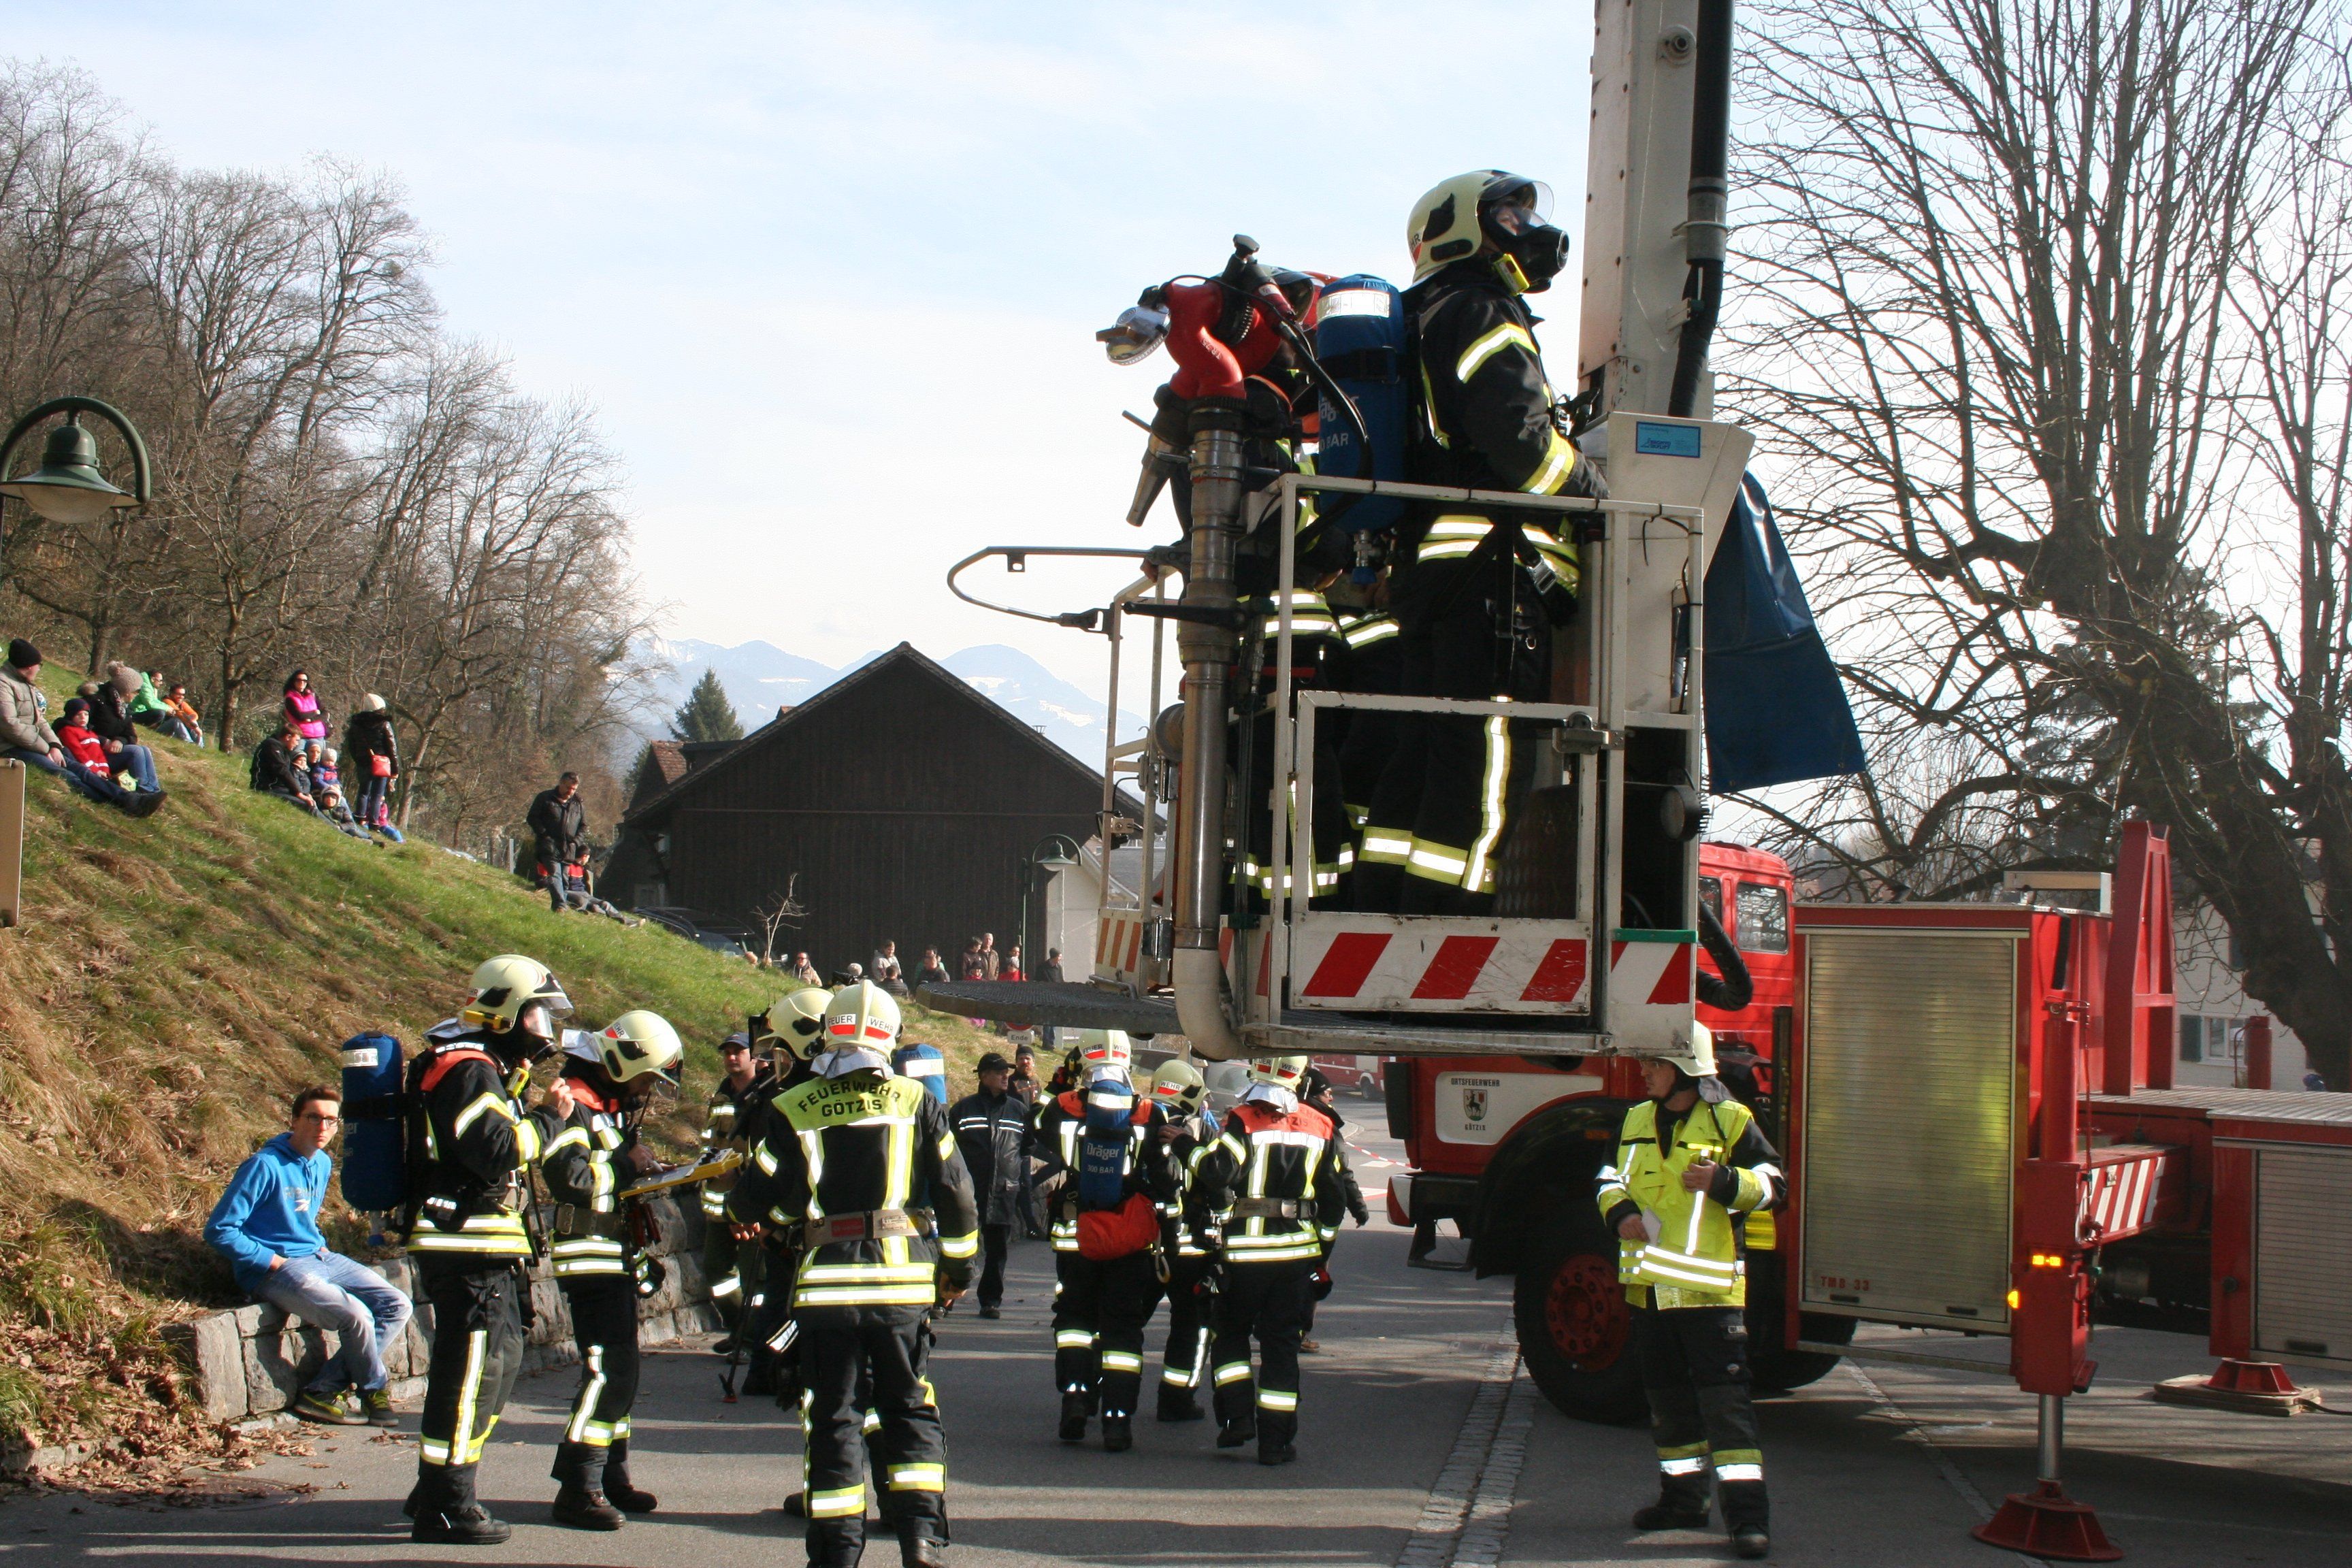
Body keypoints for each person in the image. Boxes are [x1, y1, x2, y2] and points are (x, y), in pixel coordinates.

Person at [1356, 170, 1604, 915]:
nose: (1528, 231)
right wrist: (1594, 490)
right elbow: (1522, 446)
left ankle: (1376, 911)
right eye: (1509, 216)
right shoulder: (1483, 309)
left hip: (1433, 575)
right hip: (1491, 582)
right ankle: (1445, 931)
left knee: (1423, 758)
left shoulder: (1417, 319)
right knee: (1484, 770)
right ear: (1459, 230)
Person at [727, 981, 979, 1568]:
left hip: (826, 1291)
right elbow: (957, 1196)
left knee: (834, 1417)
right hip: (901, 1286)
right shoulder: (917, 1101)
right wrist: (957, 1272)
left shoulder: (793, 1106)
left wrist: (745, 1213)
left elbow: (757, 1196)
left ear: (828, 1035)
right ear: (889, 1038)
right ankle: (921, 1539)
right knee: (909, 1408)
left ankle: (837, 1554)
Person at [402, 954, 577, 1546]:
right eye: (535, 1014)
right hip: (467, 1248)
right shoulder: (470, 1069)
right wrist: (548, 1120)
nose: (542, 1028)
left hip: (483, 1249)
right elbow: (495, 1149)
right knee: (470, 1375)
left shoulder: (483, 1069)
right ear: (503, 1013)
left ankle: (438, 1488)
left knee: (494, 1367)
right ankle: (446, 1504)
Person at [1595, 1025, 1781, 1560]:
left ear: (1685, 1069)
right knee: (1669, 1406)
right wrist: (1621, 1213)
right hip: (1650, 1294)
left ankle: (1748, 1520)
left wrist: (1724, 1182)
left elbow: (1776, 1185)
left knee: (1727, 1412)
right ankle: (1683, 1502)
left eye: (1655, 1063)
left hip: (1709, 1298)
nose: (1644, 1072)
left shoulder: (1731, 1120)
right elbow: (1608, 1178)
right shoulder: (1635, 1119)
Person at [540, 1010, 683, 1530]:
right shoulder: (572, 1102)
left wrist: (651, 1170)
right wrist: (627, 1165)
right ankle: (578, 1487)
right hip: (589, 1253)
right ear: (622, 1063)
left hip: (612, 1251)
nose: (648, 1090)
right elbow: (570, 1179)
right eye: (648, 1077)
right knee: (609, 1371)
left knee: (622, 1372)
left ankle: (611, 1476)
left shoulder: (605, 1107)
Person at [203, 1085, 412, 1428]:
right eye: (313, 1118)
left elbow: (301, 1218)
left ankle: (323, 1390)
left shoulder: (322, 1162)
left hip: (319, 1256)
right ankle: (374, 1390)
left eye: (331, 1120)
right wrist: (272, 1261)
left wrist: (321, 1246)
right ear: (294, 1120)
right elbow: (220, 1230)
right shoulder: (264, 1166)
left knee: (398, 1304)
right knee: (356, 1315)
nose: (322, 1127)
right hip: (276, 1269)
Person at [1183, 1054, 1345, 1465]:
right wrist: (1321, 1254)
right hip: (1296, 1261)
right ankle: (1275, 1444)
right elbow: (1334, 1202)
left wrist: (1186, 1147)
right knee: (1282, 1347)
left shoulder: (1243, 1119)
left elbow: (1217, 1172)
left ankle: (1237, 1421)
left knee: (1229, 1335)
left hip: (1244, 1259)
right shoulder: (1321, 1124)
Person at [1030, 1029, 1167, 1452]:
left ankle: (1075, 1398)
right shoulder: (1150, 1112)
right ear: (1127, 1062)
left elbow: (1034, 1123)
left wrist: (1061, 1078)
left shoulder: (1064, 1107)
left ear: (1086, 1062)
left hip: (1076, 1236)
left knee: (1075, 1320)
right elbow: (1163, 1179)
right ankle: (1117, 1422)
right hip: (1128, 1239)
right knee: (1122, 1330)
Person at [1145, 1058, 1214, 1421]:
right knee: (1191, 1326)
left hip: (1141, 1245)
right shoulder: (1199, 1134)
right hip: (1188, 1251)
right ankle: (1176, 1401)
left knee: (1123, 1323)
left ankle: (1105, 1399)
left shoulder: (1133, 1125)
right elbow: (1220, 1184)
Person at [700, 1030, 779, 1345]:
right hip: (719, 1206)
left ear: (756, 1057)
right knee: (715, 1271)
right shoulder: (720, 1096)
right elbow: (710, 1144)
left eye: (739, 1051)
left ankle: (754, 1339)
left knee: (754, 1278)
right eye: (727, 1052)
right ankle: (740, 1328)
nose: (731, 1057)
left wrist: (751, 1199)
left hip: (750, 1204)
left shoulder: (766, 1096)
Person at [949, 1054, 1028, 1320]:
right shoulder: (963, 1110)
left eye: (1006, 1072)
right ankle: (946, 1297)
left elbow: (1026, 1147)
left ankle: (990, 1301)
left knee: (997, 1251)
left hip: (1004, 1190)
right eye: (999, 1072)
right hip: (968, 1190)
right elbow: (949, 1148)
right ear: (983, 1076)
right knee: (958, 1247)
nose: (1005, 1076)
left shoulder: (1018, 1110)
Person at [55, 700, 163, 815]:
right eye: (78, 715)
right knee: (135, 752)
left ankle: (151, 793)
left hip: (99, 770)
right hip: (87, 768)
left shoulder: (90, 733)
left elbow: (100, 755)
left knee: (144, 750)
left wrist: (105, 771)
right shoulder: (68, 731)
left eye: (86, 714)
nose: (83, 718)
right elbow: (79, 753)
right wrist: (96, 770)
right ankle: (142, 795)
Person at [80, 669, 161, 794]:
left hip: (109, 753)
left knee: (144, 750)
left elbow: (131, 736)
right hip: (93, 753)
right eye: (137, 690)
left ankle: (153, 790)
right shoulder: (96, 701)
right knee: (136, 751)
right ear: (127, 690)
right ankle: (144, 790)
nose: (138, 694)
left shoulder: (122, 709)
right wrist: (105, 741)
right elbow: (81, 727)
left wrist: (120, 741)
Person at [528, 772, 588, 913]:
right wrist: (544, 834)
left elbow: (584, 826)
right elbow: (532, 818)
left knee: (564, 880)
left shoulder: (578, 804)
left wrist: (576, 842)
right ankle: (560, 906)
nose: (570, 792)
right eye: (568, 788)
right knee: (555, 874)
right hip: (549, 846)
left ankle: (569, 905)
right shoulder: (545, 798)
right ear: (561, 783)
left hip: (569, 849)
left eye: (574, 789)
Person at [342, 693, 399, 833]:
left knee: (363, 791)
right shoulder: (384, 724)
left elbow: (351, 745)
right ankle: (374, 822)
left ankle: (360, 816)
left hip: (363, 761)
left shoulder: (356, 724)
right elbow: (392, 748)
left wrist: (358, 759)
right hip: (381, 763)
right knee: (377, 794)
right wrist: (395, 769)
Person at [251, 719, 321, 815]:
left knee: (311, 803)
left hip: (280, 788)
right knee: (307, 805)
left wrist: (303, 793)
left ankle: (333, 824)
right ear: (288, 737)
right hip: (267, 788)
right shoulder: (271, 746)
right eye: (297, 740)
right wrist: (299, 794)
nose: (297, 744)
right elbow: (282, 771)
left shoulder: (285, 751)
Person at [116, 664, 195, 744]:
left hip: (142, 711)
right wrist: (168, 708)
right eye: (160, 680)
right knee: (160, 713)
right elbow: (150, 704)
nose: (161, 683)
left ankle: (196, 743)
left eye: (183, 695)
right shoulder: (144, 686)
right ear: (153, 679)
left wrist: (168, 708)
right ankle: (188, 741)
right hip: (135, 713)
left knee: (174, 717)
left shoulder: (152, 688)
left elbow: (156, 701)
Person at [283, 669, 328, 748]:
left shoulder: (313, 696)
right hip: (301, 736)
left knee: (317, 756)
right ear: (293, 682)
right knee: (299, 755)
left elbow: (325, 714)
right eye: (299, 680)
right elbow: (299, 716)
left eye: (305, 681)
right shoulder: (290, 698)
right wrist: (315, 712)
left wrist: (312, 720)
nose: (302, 683)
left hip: (319, 735)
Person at [162, 679, 206, 747]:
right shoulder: (166, 701)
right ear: (171, 694)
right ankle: (188, 743)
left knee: (192, 720)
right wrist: (195, 727)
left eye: (183, 695)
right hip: (163, 729)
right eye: (178, 694)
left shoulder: (182, 704)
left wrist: (192, 722)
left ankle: (200, 746)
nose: (181, 697)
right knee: (177, 720)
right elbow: (179, 713)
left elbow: (194, 714)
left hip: (175, 732)